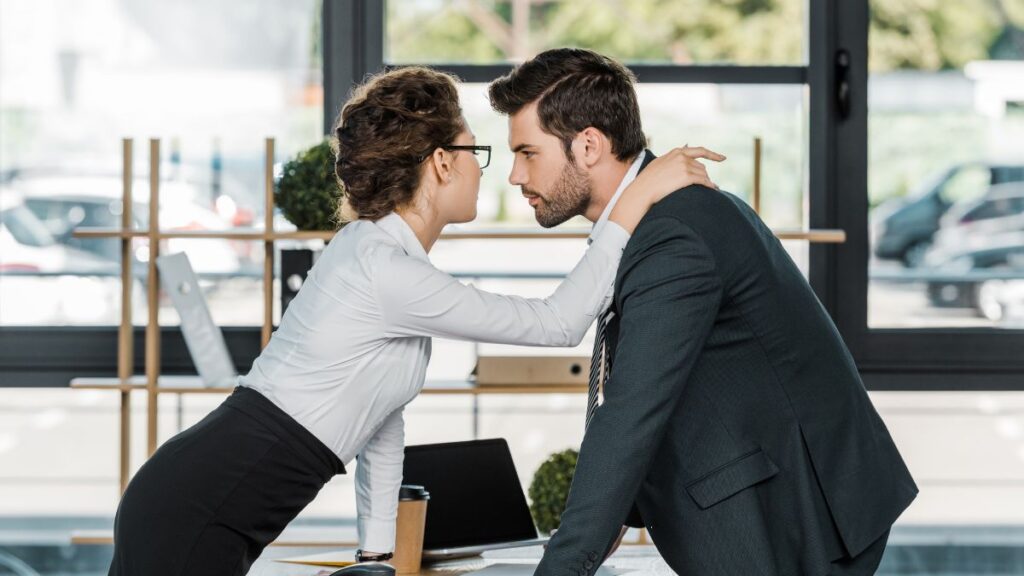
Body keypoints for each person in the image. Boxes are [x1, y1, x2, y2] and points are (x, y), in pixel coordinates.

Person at [106, 65, 725, 576]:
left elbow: (381, 427)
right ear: (440, 163)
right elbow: (556, 324)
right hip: (195, 506)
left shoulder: (384, 260)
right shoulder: (380, 266)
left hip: (207, 500)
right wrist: (635, 199)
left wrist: (378, 556)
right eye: (476, 152)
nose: (490, 169)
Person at [486, 48, 918, 576]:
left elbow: (630, 413)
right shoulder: (665, 213)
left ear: (590, 145)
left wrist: (562, 567)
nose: (513, 175)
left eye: (527, 152)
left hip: (802, 514)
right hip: (791, 491)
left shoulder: (674, 234)